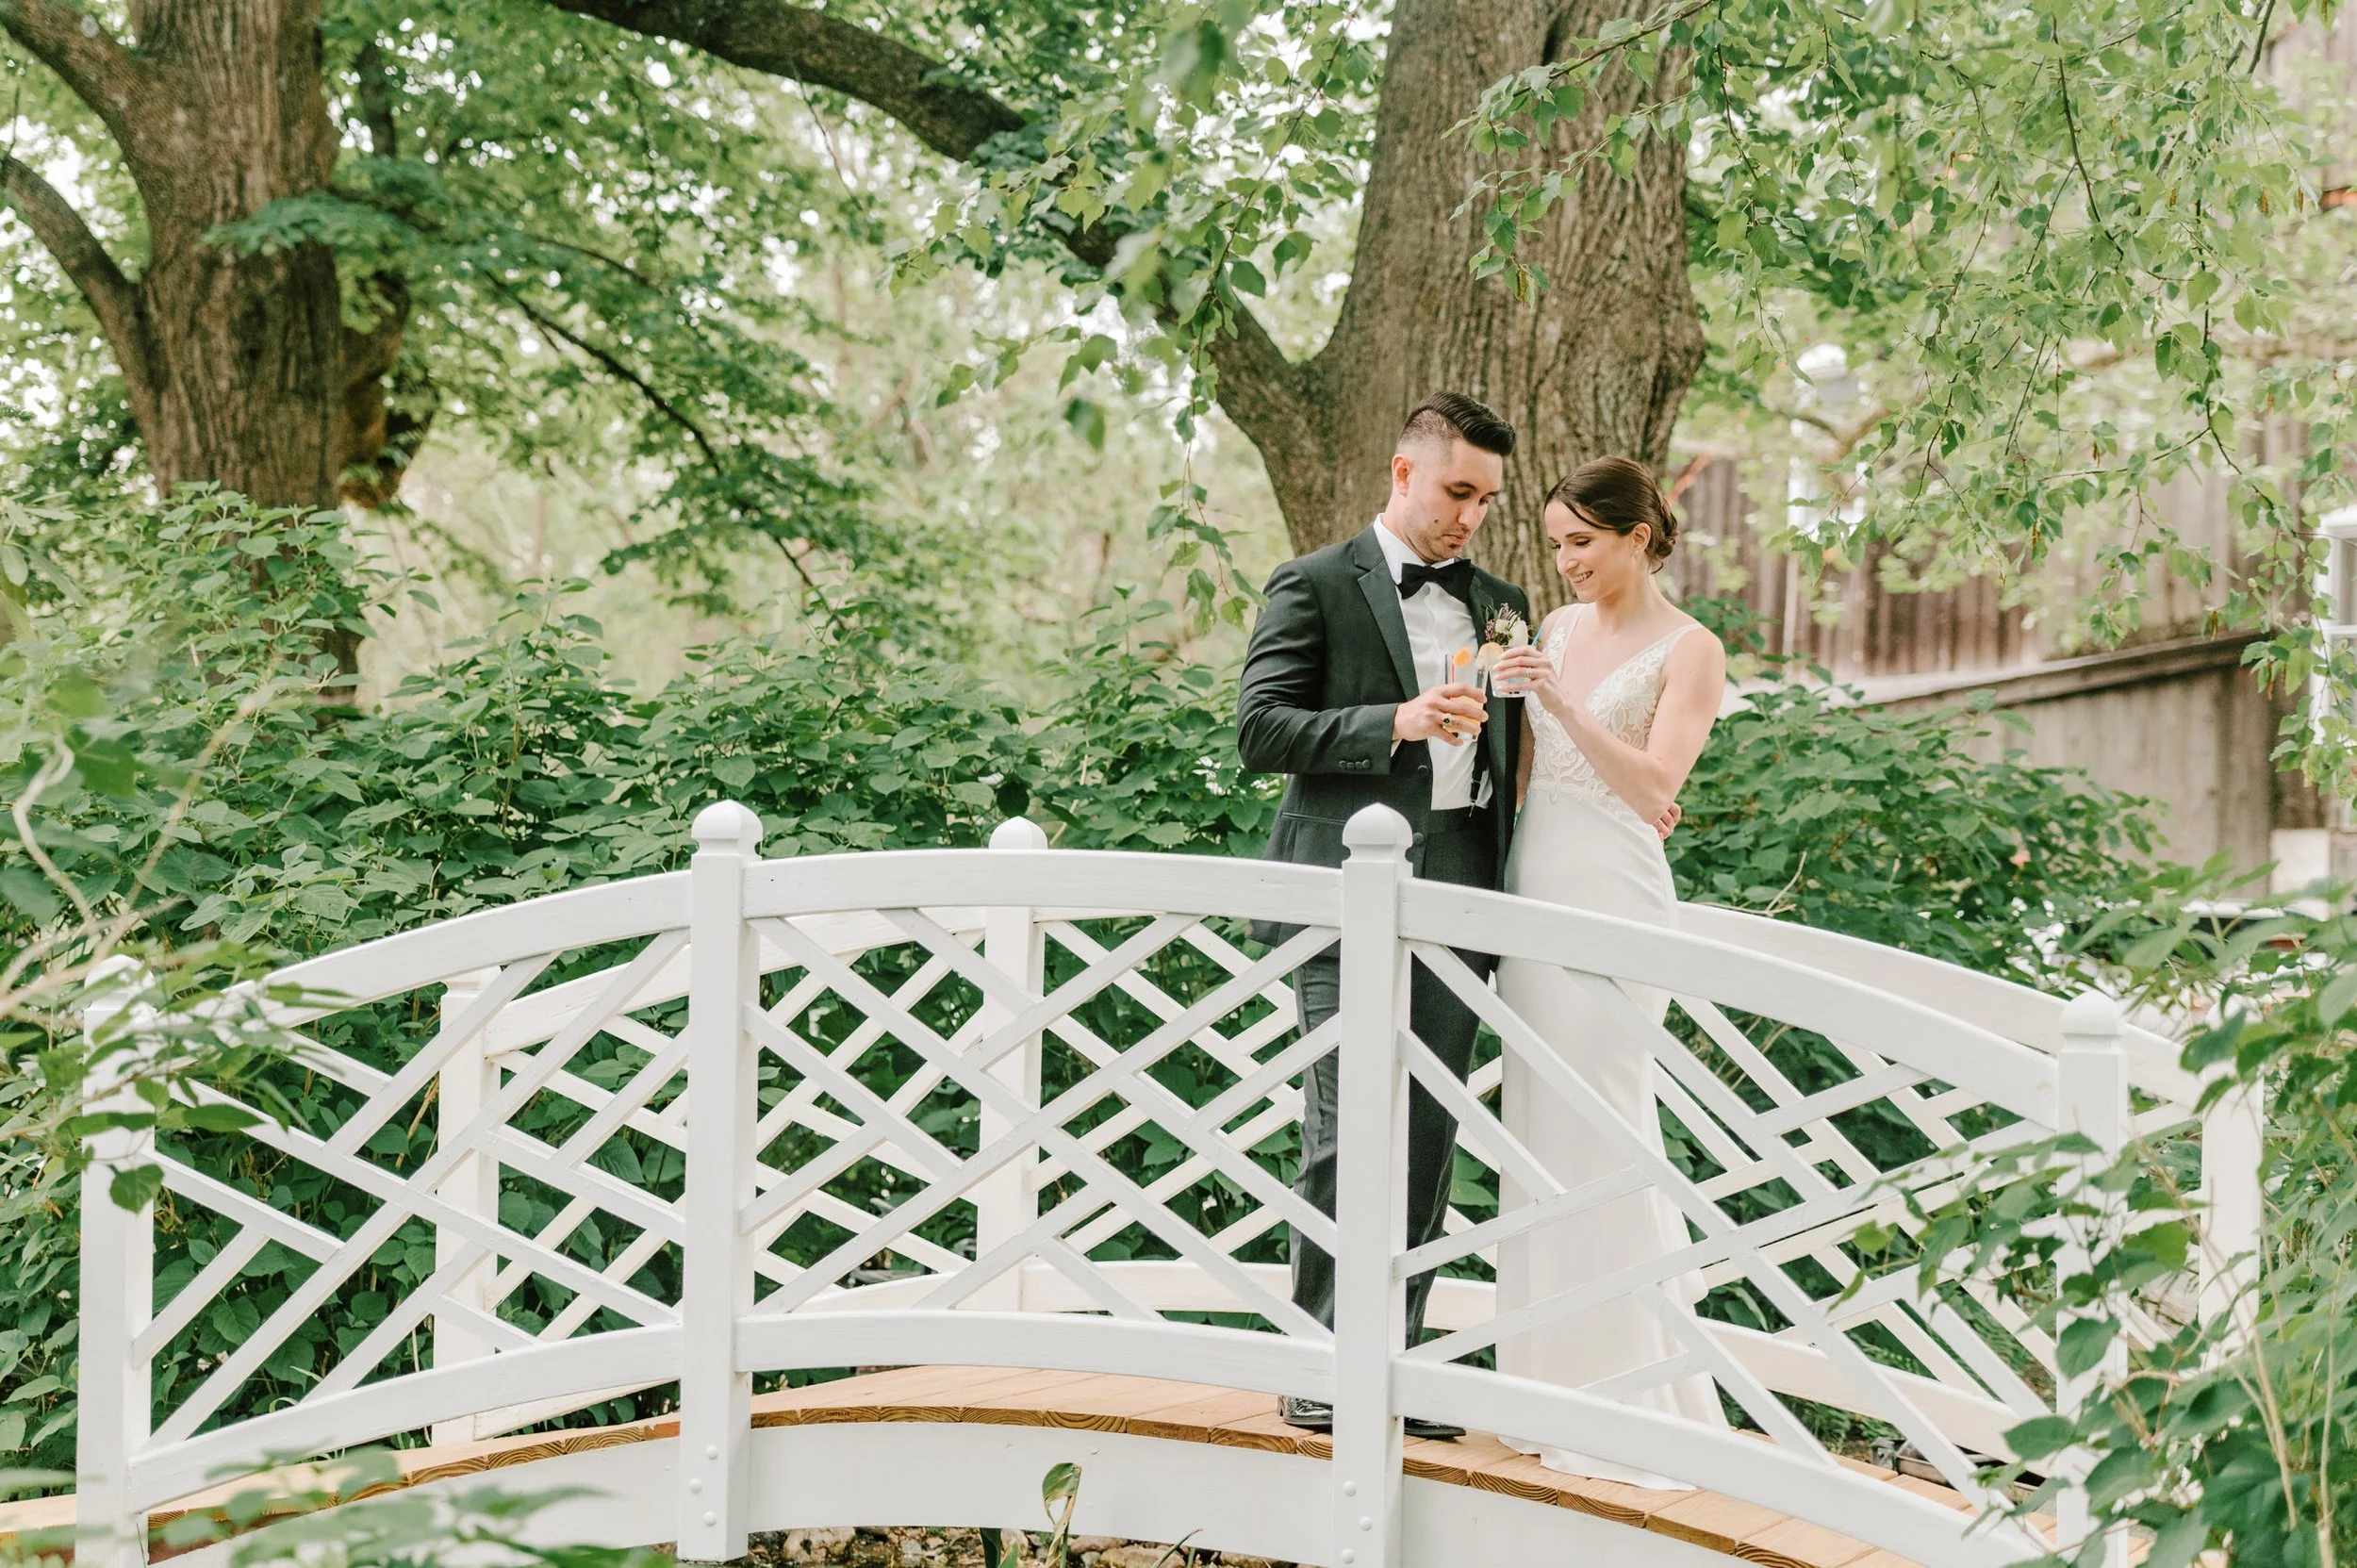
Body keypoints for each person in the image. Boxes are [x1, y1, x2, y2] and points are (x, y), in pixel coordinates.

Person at [1235, 391, 1529, 1440]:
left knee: (1428, 1133)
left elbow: (1517, 752)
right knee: (1345, 1126)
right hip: (1339, 890)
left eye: (1486, 500)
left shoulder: (1501, 601)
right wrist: (1393, 722)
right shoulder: (1313, 583)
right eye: (1457, 492)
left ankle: (1398, 1366)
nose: (1470, 517)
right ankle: (1325, 1364)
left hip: (1462, 877)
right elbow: (1261, 730)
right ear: (1403, 473)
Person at [1486, 456, 1732, 1487]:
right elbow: (1527, 772)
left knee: (1604, 1124)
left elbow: (1654, 787)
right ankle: (1545, 1383)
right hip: (1534, 883)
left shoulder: (1691, 649)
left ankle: (1633, 1392)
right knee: (1537, 1125)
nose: (1567, 562)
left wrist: (1572, 708)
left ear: (1639, 534)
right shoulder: (1550, 629)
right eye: (1556, 545)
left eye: (1582, 541)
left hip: (1616, 891)